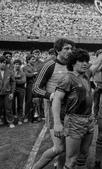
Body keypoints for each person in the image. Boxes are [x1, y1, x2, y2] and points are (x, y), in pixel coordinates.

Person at [52, 48, 102, 169]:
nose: (85, 63)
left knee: (83, 156)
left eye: (86, 61)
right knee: (71, 160)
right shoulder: (67, 78)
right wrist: (57, 123)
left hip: (88, 119)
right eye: (81, 61)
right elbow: (56, 100)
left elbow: (96, 64)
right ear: (72, 62)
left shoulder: (86, 74)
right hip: (74, 120)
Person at [32, 38, 75, 169]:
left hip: (70, 110)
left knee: (67, 147)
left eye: (71, 48)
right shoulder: (49, 65)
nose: (70, 51)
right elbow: (35, 88)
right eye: (66, 49)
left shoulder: (72, 65)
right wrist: (51, 95)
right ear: (57, 50)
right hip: (53, 109)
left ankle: (59, 166)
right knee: (58, 148)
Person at [0, 56, 15, 128]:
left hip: (7, 92)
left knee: (8, 108)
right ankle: (1, 120)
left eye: (4, 63)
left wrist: (12, 92)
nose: (2, 64)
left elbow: (13, 82)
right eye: (1, 62)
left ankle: (10, 121)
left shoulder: (9, 71)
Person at [23, 54, 38, 123]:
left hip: (35, 85)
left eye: (34, 59)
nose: (34, 60)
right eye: (32, 59)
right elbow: (27, 75)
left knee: (35, 101)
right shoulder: (25, 67)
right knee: (28, 101)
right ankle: (26, 116)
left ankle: (35, 116)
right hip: (29, 85)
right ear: (28, 60)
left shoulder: (35, 66)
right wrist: (34, 74)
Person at [12, 59, 26, 125]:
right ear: (14, 65)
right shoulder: (11, 72)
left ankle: (20, 118)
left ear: (20, 65)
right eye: (16, 64)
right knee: (12, 105)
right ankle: (14, 118)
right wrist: (17, 77)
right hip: (13, 90)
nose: (17, 65)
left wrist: (14, 80)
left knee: (20, 105)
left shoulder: (22, 73)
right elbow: (9, 80)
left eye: (18, 64)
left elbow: (23, 81)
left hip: (21, 90)